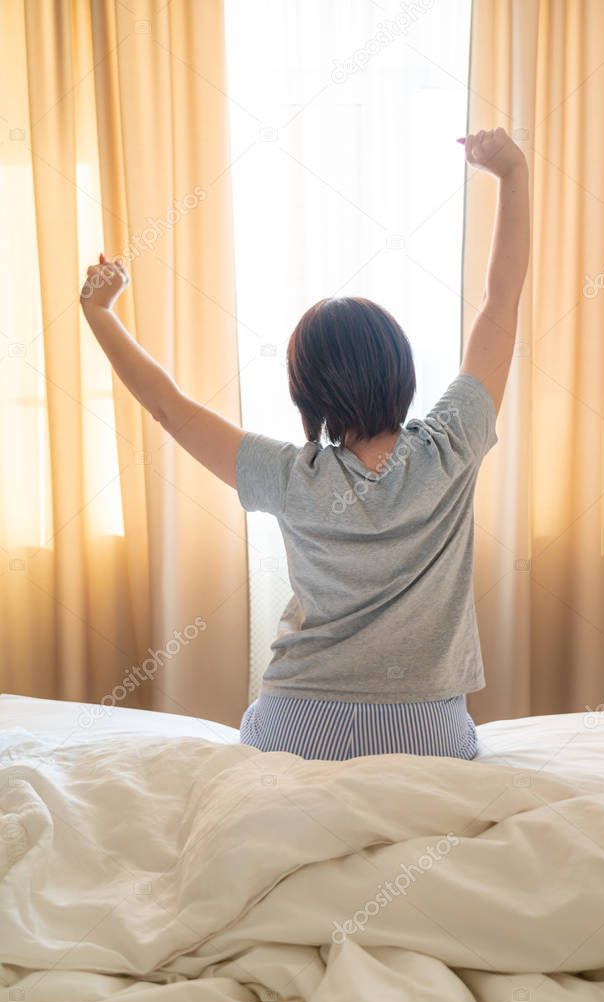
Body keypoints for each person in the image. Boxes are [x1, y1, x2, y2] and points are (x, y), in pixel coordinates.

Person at [80, 126, 530, 760]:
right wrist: (512, 174)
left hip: (298, 723)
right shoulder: (450, 447)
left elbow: (166, 406)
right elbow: (500, 305)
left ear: (306, 395)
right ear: (401, 371)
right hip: (424, 730)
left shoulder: (287, 476)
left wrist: (100, 312)